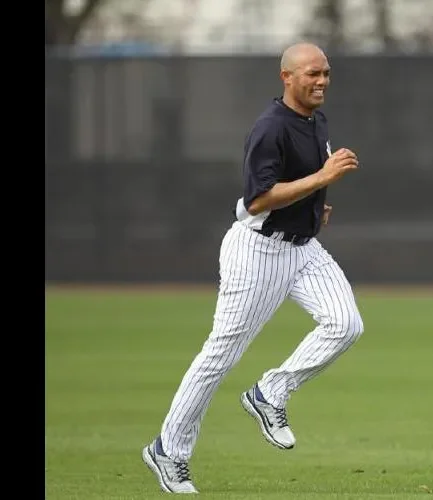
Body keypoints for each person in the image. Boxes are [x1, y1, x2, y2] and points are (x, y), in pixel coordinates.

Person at [142, 42, 364, 494]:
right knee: (220, 356)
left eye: (325, 72)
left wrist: (314, 206)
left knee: (346, 323)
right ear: (286, 78)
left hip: (303, 248)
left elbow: (296, 185)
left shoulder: (315, 119)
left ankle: (270, 393)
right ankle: (169, 448)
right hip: (258, 252)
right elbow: (258, 200)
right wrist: (322, 179)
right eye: (310, 74)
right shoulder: (269, 128)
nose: (321, 81)